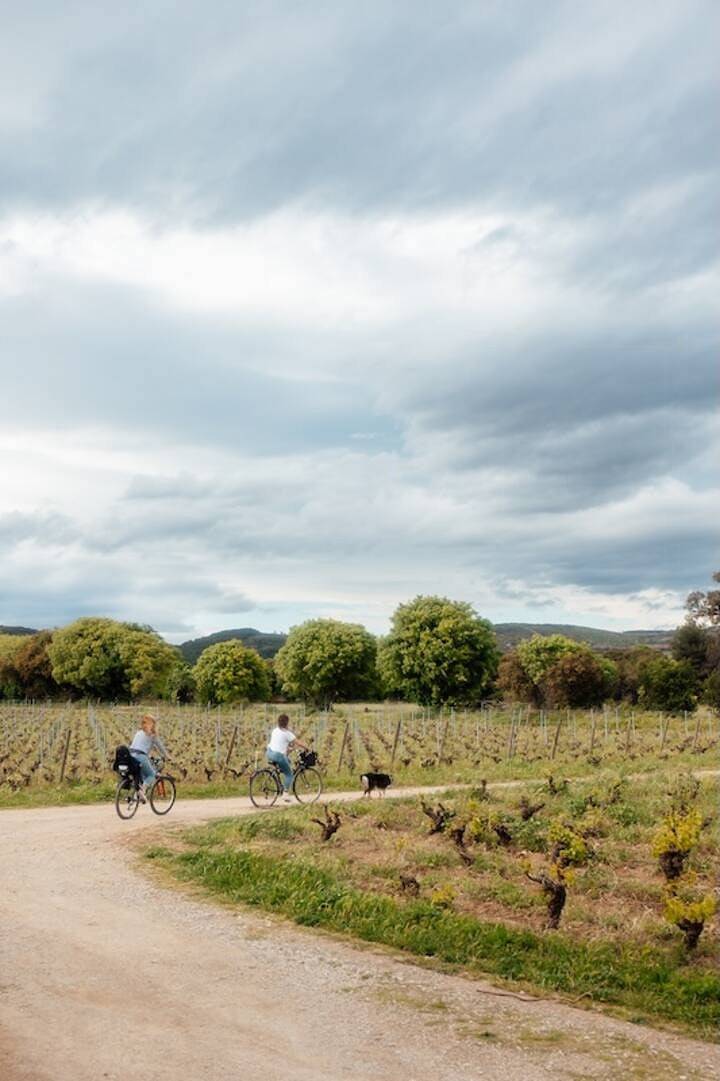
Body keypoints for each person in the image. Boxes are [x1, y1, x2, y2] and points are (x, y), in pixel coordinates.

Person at [267, 714, 308, 802]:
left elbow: (280, 744)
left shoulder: (275, 730)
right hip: (278, 756)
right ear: (287, 723)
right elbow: (298, 742)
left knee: (287, 761)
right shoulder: (288, 734)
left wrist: (290, 749)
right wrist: (307, 748)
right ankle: (285, 794)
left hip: (269, 752)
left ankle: (280, 784)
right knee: (289, 774)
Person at [129, 714, 168, 803]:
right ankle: (142, 791)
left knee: (142, 776)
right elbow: (160, 747)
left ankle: (137, 795)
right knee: (151, 775)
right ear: (153, 724)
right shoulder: (153, 735)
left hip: (131, 755)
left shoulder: (138, 732)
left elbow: (139, 746)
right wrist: (168, 756)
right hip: (141, 756)